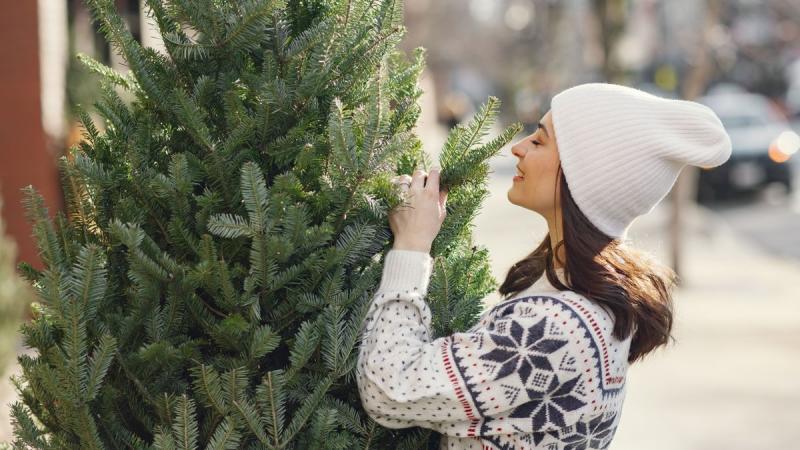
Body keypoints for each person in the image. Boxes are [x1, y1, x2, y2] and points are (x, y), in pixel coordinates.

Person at [355, 83, 732, 449]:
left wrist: (411, 246)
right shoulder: (589, 299)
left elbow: (390, 388)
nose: (518, 148)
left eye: (539, 140)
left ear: (580, 175)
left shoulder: (554, 325)